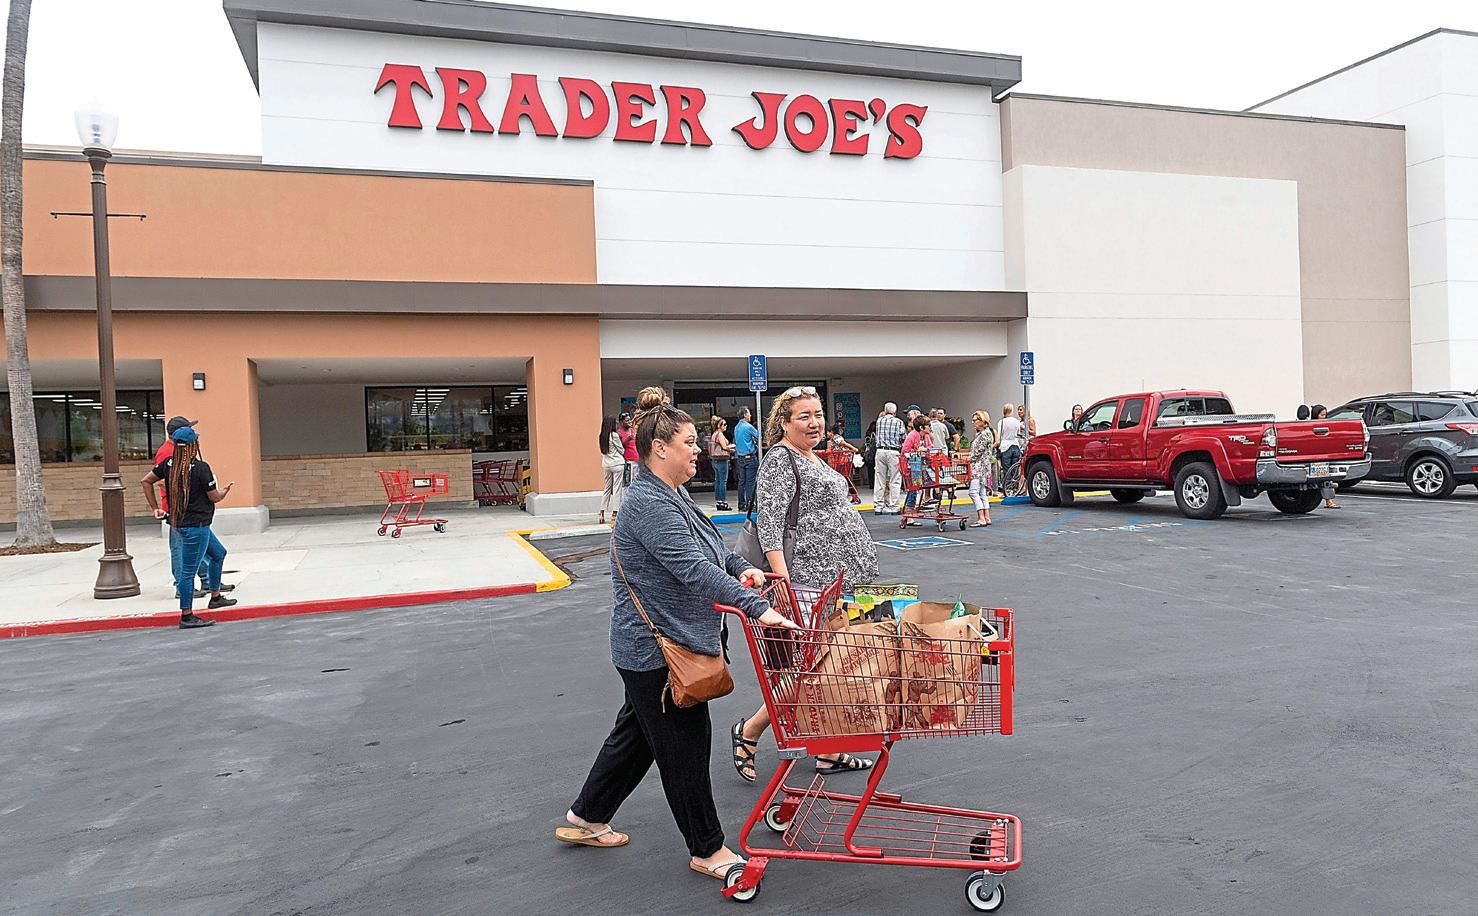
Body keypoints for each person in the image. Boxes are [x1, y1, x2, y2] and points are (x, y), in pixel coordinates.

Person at [557, 388, 799, 884]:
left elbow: (711, 549)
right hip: (657, 650)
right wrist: (758, 609)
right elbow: (690, 568)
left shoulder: (675, 494)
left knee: (637, 739)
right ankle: (707, 850)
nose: (700, 448)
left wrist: (742, 570)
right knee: (685, 751)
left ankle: (587, 816)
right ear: (659, 448)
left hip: (664, 644)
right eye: (690, 441)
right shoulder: (648, 503)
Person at [732, 386, 880, 782]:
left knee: (827, 668)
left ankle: (829, 751)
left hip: (831, 581)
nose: (814, 422)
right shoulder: (781, 460)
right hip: (805, 582)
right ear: (784, 421)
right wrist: (783, 587)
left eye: (817, 414)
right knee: (809, 668)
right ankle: (750, 731)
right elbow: (771, 528)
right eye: (804, 416)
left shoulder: (809, 456)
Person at [140, 426, 236, 628]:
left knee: (218, 553)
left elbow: (146, 481)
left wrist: (155, 508)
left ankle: (216, 596)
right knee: (187, 572)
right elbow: (214, 497)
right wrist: (224, 491)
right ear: (193, 445)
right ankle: (187, 615)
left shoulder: (168, 464)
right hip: (196, 526)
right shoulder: (201, 468)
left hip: (184, 523)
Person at [151, 415, 232, 599]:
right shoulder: (167, 453)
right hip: (180, 512)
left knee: (211, 552)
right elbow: (160, 481)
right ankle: (183, 590)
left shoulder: (187, 456)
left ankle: (209, 583)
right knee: (181, 552)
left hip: (196, 513)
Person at [872, 402, 905, 515]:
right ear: (895, 412)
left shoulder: (879, 421)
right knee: (895, 479)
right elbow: (902, 438)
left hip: (880, 451)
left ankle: (878, 506)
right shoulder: (899, 422)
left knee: (879, 479)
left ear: (885, 411)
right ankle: (894, 506)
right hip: (893, 451)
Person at [900, 414, 932, 524]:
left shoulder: (926, 436)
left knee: (916, 488)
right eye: (928, 425)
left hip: (922, 465)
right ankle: (909, 515)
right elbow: (905, 451)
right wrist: (917, 452)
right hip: (912, 466)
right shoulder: (912, 435)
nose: (930, 427)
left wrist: (926, 450)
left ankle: (910, 512)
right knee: (913, 489)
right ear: (921, 427)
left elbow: (930, 448)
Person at [1308, 405, 1341, 509]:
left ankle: (1329, 501)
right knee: (1324, 479)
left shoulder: (1326, 426)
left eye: (1325, 414)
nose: (1324, 416)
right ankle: (1328, 501)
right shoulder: (1309, 426)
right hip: (1314, 458)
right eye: (1321, 414)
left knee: (1326, 479)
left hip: (1323, 457)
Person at [967, 410, 995, 527]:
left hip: (979, 466)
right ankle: (986, 517)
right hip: (983, 466)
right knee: (982, 492)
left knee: (973, 492)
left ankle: (981, 517)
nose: (973, 422)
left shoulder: (984, 434)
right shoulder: (984, 433)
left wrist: (969, 458)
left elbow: (978, 451)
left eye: (975, 420)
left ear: (983, 421)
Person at [598, 416, 625, 525]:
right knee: (617, 488)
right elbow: (621, 450)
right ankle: (615, 513)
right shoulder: (614, 435)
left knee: (607, 488)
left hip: (606, 464)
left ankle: (601, 512)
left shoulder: (602, 436)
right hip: (617, 463)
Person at [734, 406, 760, 514]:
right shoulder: (748, 427)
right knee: (750, 482)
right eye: (749, 413)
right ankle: (751, 505)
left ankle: (741, 505)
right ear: (745, 415)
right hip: (749, 457)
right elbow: (759, 436)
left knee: (742, 482)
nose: (750, 415)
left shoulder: (736, 427)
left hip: (740, 457)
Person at [708, 416, 735, 511]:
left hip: (715, 460)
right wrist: (731, 447)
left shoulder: (714, 434)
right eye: (724, 424)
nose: (726, 426)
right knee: (723, 481)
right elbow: (724, 447)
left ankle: (718, 501)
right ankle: (723, 501)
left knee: (718, 480)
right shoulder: (719, 434)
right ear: (719, 425)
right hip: (722, 460)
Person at [997, 404, 1022, 494]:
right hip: (1015, 445)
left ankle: (1007, 489)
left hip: (1005, 446)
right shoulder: (1016, 421)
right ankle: (1015, 488)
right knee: (1015, 469)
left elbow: (999, 435)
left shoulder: (1002, 422)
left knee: (1006, 469)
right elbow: (1018, 433)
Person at [618, 411, 639, 486]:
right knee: (628, 483)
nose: (629, 422)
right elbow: (620, 446)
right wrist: (628, 438)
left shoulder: (632, 430)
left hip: (637, 460)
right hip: (629, 461)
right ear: (621, 422)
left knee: (637, 482)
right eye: (626, 420)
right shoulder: (619, 433)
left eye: (629, 420)